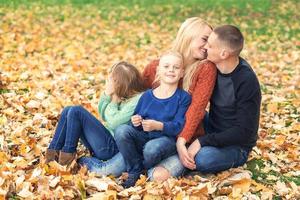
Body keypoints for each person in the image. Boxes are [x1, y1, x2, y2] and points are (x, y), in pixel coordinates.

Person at [153, 25, 262, 180]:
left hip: (235, 145)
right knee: (188, 117)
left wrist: (201, 141)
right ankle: (173, 151)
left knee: (203, 158)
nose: (205, 47)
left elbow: (244, 132)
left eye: (210, 45)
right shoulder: (212, 68)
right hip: (211, 129)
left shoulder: (245, 80)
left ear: (224, 53)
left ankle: (175, 162)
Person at [143, 17, 217, 180]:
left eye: (210, 43)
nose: (207, 47)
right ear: (189, 35)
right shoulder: (157, 67)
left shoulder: (205, 68)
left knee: (158, 176)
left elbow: (196, 110)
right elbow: (137, 99)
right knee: (112, 166)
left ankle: (145, 167)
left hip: (185, 140)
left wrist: (182, 142)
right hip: (154, 134)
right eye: (204, 39)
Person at [45, 61, 145, 168]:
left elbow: (114, 123)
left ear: (120, 83)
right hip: (106, 142)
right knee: (68, 110)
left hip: (113, 149)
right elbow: (102, 114)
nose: (109, 83)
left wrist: (114, 99)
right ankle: (51, 157)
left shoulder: (137, 100)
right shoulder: (125, 95)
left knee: (76, 111)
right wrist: (107, 94)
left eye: (112, 80)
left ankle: (67, 161)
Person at [114, 51, 191, 188]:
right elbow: (136, 124)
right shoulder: (147, 96)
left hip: (166, 141)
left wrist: (159, 126)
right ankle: (135, 170)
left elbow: (179, 126)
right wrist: (136, 121)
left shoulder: (183, 97)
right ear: (158, 71)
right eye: (166, 66)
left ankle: (146, 168)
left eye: (176, 67)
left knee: (152, 148)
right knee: (121, 130)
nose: (171, 70)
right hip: (144, 137)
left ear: (182, 73)